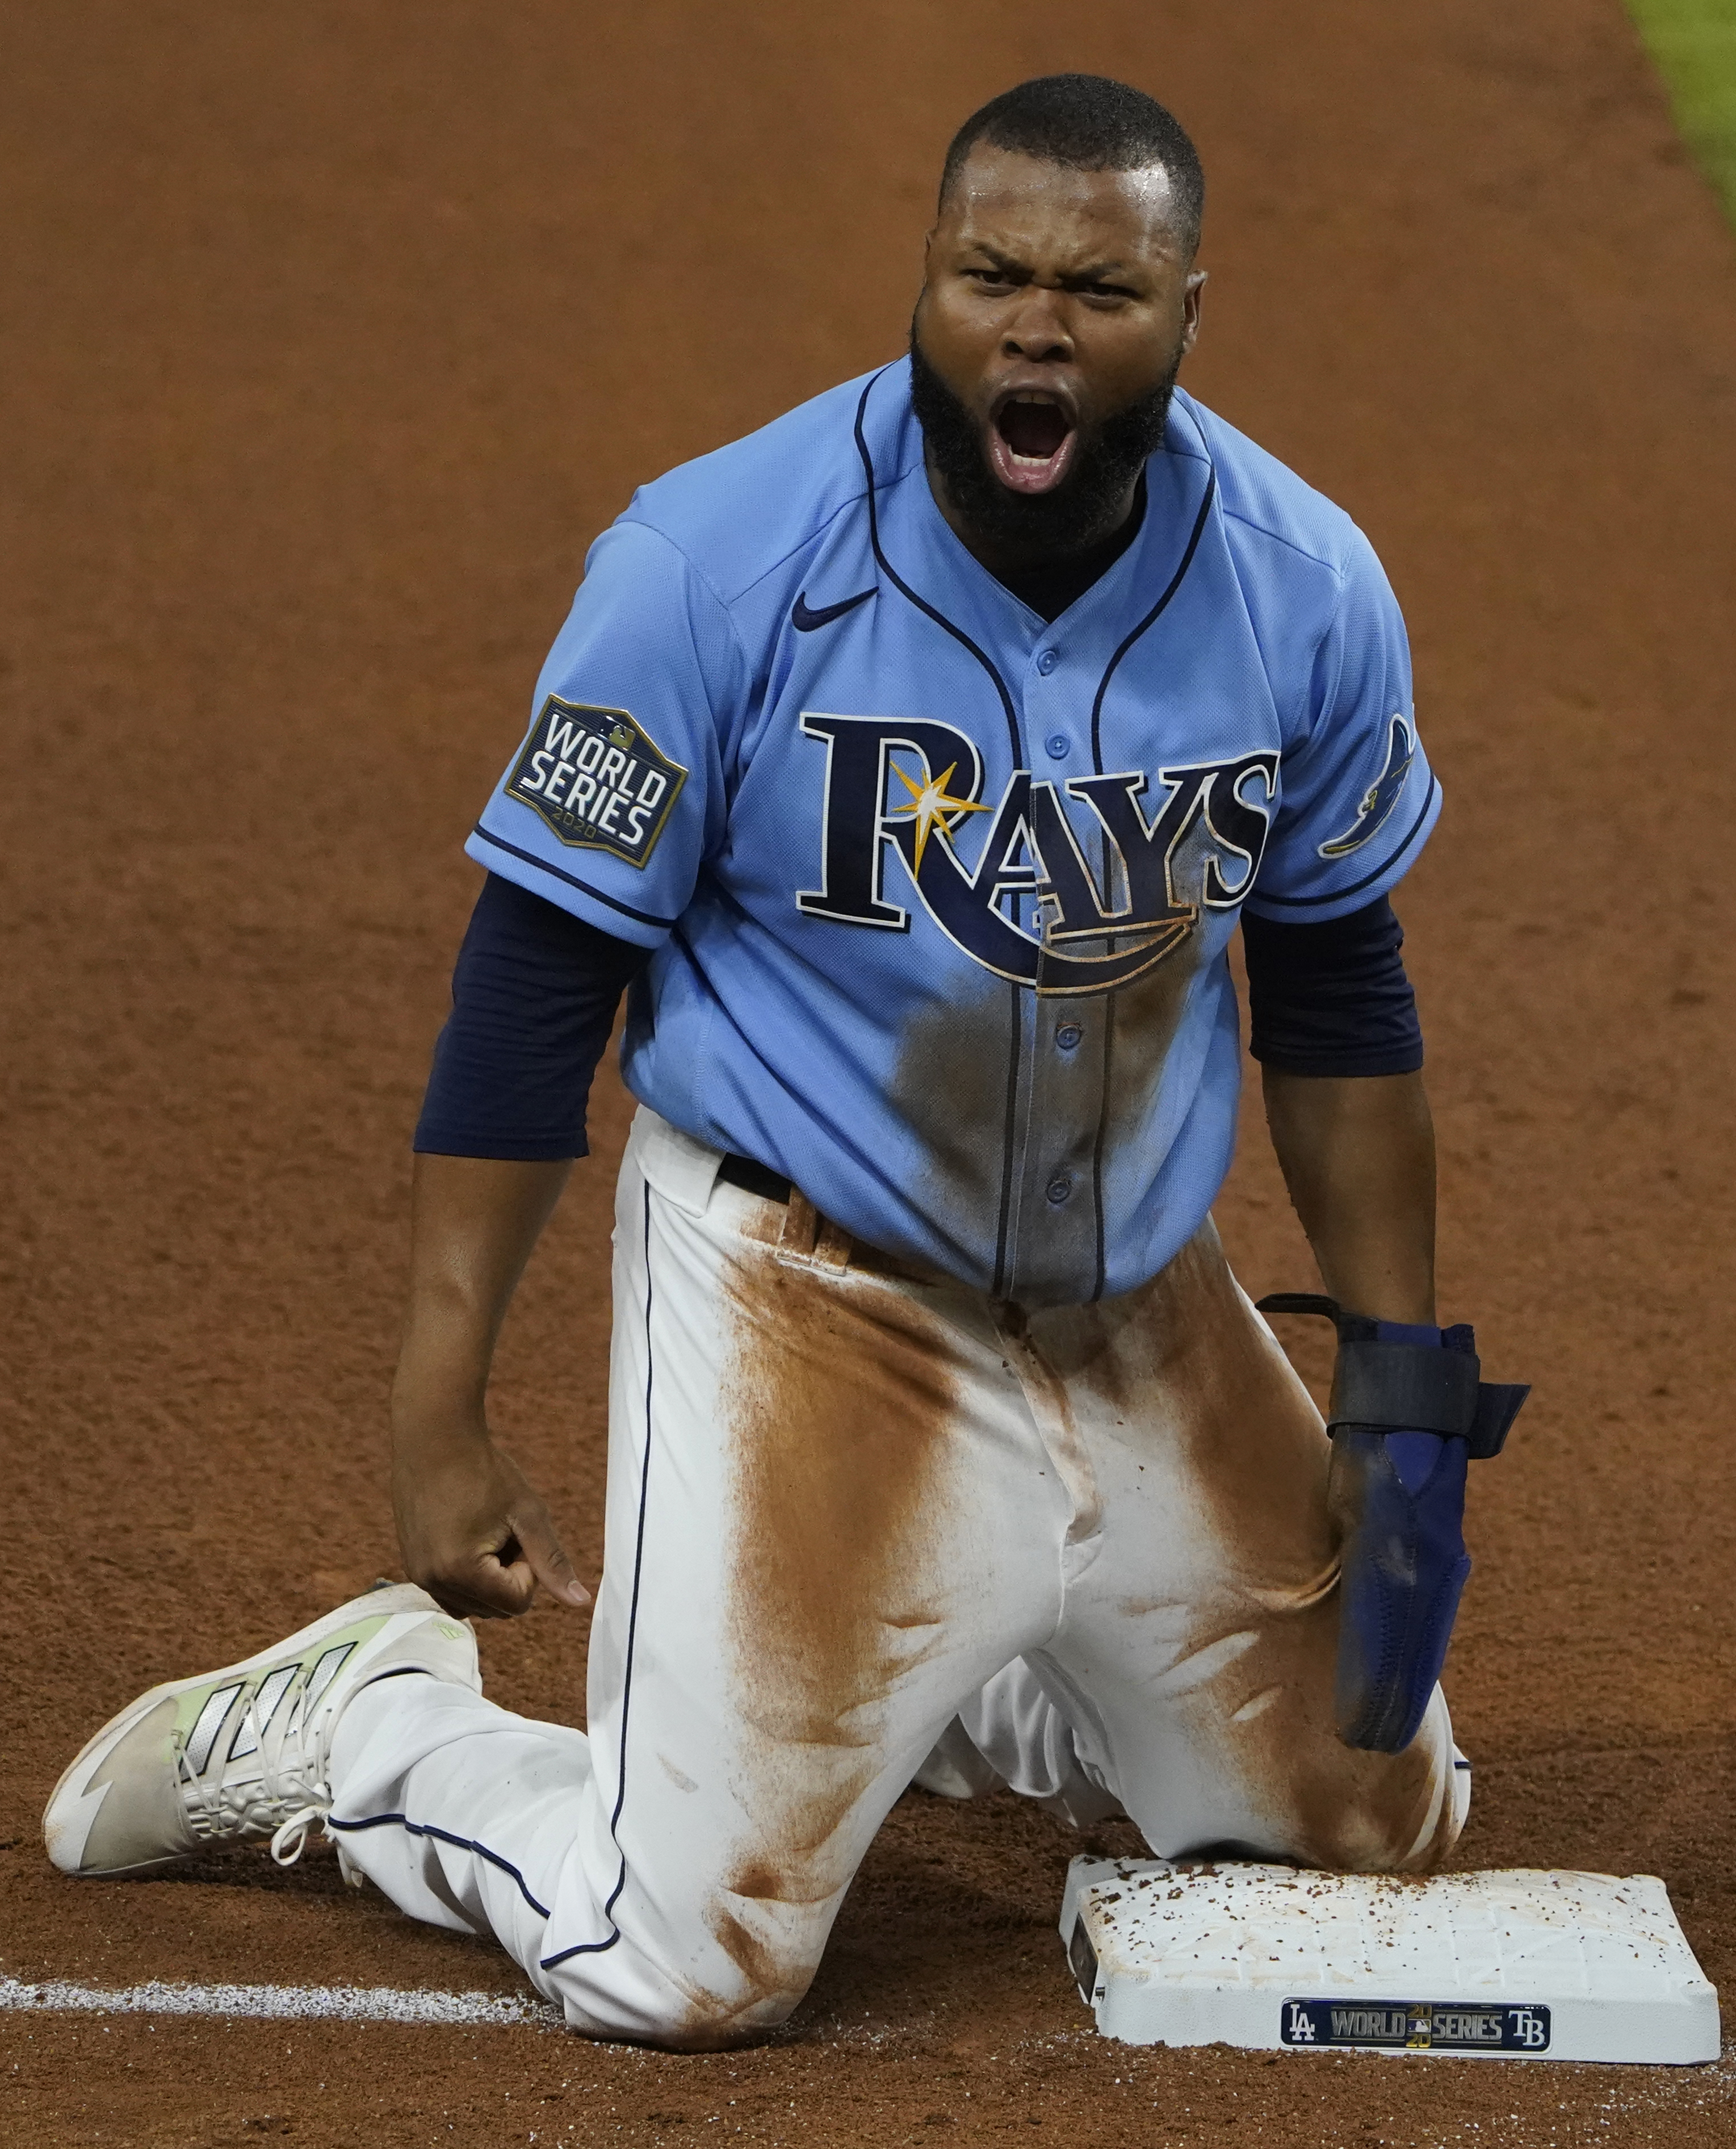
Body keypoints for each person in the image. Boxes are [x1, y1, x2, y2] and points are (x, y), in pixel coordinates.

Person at [45, 74, 1524, 2049]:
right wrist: (438, 1391)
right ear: (925, 276)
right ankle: (379, 1733)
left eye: (1098, 285)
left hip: (1138, 1301)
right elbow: (531, 990)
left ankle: (947, 1654)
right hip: (802, 1287)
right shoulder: (717, 565)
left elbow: (1344, 991)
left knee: (1378, 1819)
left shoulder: (1302, 585)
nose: (1034, 324)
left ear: (1189, 310)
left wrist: (1404, 1381)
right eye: (988, 270)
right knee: (689, 1965)